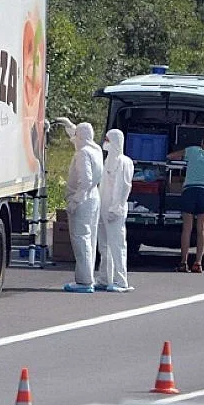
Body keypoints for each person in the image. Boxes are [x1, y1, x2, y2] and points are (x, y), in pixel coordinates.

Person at [57, 118, 104, 293]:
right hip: (93, 198)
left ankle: (84, 281)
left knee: (81, 238)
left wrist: (75, 201)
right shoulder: (96, 149)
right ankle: (87, 277)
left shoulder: (83, 153)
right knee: (90, 238)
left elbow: (86, 180)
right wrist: (71, 128)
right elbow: (79, 140)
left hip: (83, 199)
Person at [167, 132, 204, 273]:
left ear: (202, 141)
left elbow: (171, 156)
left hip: (189, 191)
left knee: (187, 228)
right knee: (201, 228)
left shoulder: (191, 150)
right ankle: (198, 262)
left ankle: (183, 262)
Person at [96, 129, 135, 292]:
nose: (105, 143)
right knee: (104, 246)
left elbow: (124, 186)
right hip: (103, 208)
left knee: (117, 245)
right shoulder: (108, 161)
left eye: (108, 140)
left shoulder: (124, 162)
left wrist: (116, 207)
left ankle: (121, 280)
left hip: (115, 211)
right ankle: (105, 278)